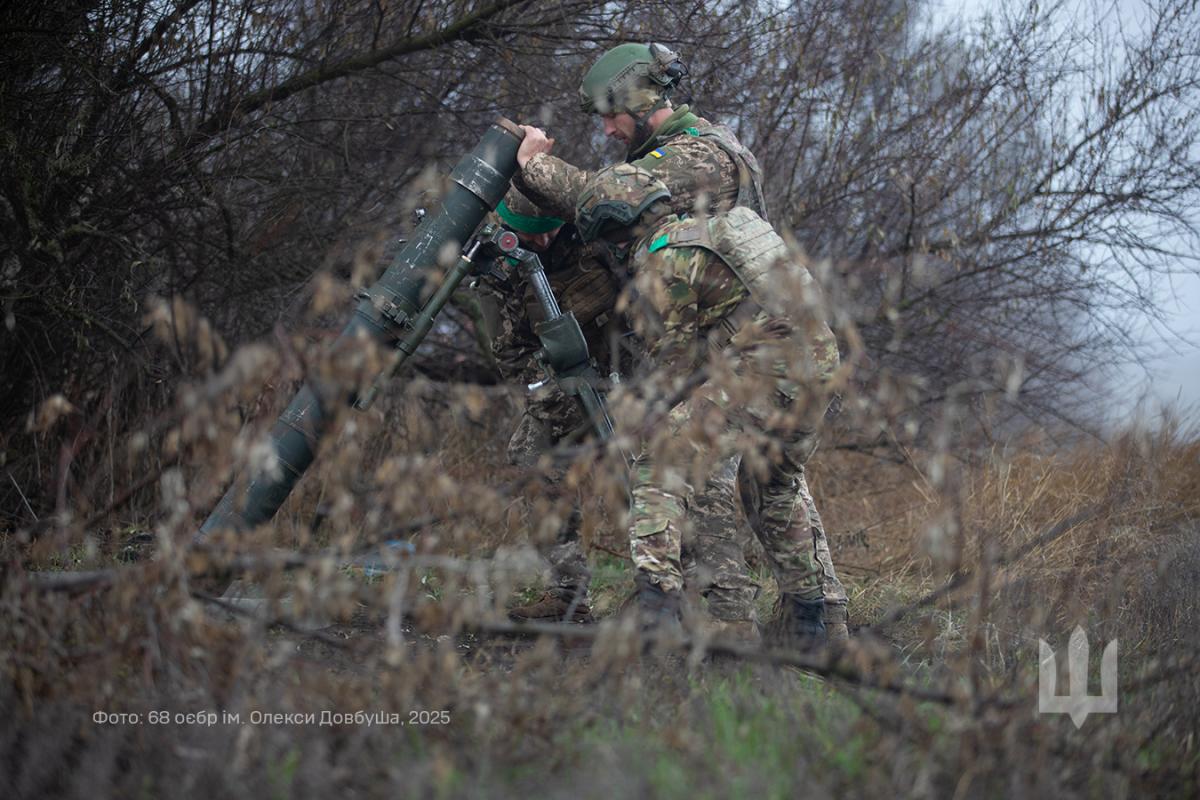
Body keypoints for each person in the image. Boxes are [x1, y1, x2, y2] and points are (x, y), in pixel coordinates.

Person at [513, 42, 848, 640]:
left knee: (684, 464)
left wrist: (531, 165)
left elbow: (604, 199)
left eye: (613, 114)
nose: (608, 130)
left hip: (748, 357)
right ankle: (812, 624)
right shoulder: (693, 160)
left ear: (643, 100)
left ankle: (716, 621)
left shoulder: (700, 158)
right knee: (770, 486)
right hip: (782, 351)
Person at [574, 163, 844, 647]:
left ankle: (657, 614)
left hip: (766, 369)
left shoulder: (662, 259)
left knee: (660, 463)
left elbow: (676, 364)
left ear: (613, 231)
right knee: (773, 486)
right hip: (819, 362)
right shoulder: (718, 229)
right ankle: (810, 624)